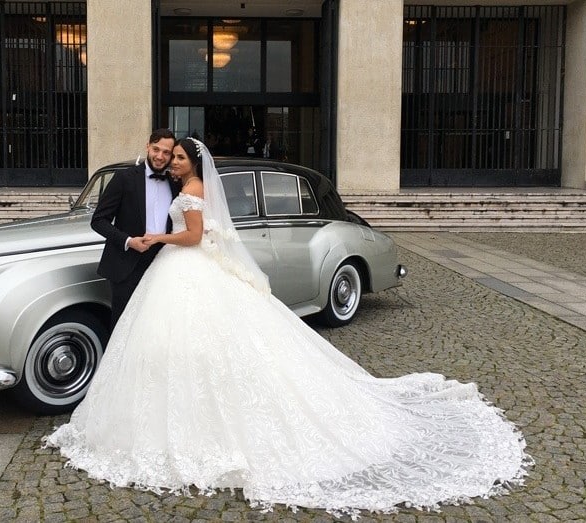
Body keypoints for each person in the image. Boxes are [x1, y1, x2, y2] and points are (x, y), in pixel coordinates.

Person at [46, 138, 531, 517]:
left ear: (191, 162)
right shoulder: (181, 187)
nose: (169, 163)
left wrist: (158, 236)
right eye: (166, 156)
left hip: (184, 262)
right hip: (176, 269)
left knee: (204, 341)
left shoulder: (191, 191)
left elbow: (194, 237)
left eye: (175, 157)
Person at [90, 128, 180, 328]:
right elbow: (99, 220)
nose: (160, 156)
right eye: (156, 149)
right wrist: (129, 241)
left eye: (166, 152)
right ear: (148, 146)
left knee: (156, 326)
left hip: (163, 264)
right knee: (124, 326)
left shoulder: (176, 182)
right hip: (127, 265)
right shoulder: (124, 178)